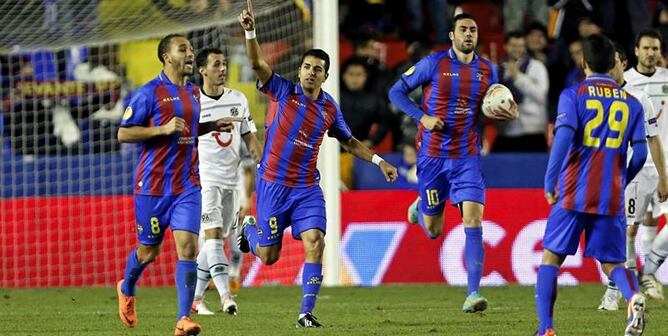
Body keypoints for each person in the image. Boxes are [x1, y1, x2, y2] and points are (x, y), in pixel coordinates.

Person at [236, 1, 398, 328]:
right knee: (268, 256)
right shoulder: (281, 91)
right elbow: (255, 62)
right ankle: (247, 231)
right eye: (307, 66)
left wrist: (379, 160)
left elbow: (349, 141)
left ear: (325, 75)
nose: (311, 72)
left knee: (316, 241)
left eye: (318, 69)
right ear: (300, 71)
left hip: (306, 188)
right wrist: (250, 30)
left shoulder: (329, 108)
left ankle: (306, 313)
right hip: (273, 186)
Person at [388, 13, 518, 313]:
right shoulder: (434, 64)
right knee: (434, 230)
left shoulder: (488, 70)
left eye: (473, 29)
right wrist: (423, 117)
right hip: (432, 156)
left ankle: (473, 294)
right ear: (452, 35)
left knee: (473, 220)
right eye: (463, 30)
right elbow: (395, 91)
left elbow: (491, 106)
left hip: (466, 156)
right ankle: (422, 205)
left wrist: (507, 115)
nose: (468, 34)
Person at [115, 34, 235, 336]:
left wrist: (209, 126)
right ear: (167, 57)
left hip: (187, 185)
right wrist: (162, 128)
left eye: (191, 49)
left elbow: (189, 131)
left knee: (188, 248)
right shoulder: (148, 93)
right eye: (183, 49)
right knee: (148, 252)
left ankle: (183, 319)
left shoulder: (194, 92)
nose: (191, 53)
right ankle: (126, 286)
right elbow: (124, 134)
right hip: (153, 187)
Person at [536, 34, 648, 336]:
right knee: (613, 263)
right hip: (610, 195)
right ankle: (632, 297)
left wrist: (550, 181)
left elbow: (562, 139)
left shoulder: (573, 95)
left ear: (583, 62)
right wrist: (623, 177)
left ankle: (546, 328)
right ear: (614, 62)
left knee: (551, 258)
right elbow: (642, 152)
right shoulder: (632, 103)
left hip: (573, 192)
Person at [190, 47, 262, 316]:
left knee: (217, 238)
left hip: (232, 182)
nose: (222, 68)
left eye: (224, 64)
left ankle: (195, 299)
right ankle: (225, 296)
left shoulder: (238, 99)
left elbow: (250, 138)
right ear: (202, 70)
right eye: (216, 64)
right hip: (204, 181)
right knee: (212, 240)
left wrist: (263, 162)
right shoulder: (193, 103)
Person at [598, 45, 668, 310]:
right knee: (622, 231)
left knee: (625, 230)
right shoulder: (598, 94)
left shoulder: (639, 96)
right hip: (612, 171)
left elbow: (654, 139)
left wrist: (662, 176)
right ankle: (622, 289)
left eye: (613, 61)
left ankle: (622, 287)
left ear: (623, 63)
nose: (609, 66)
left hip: (639, 170)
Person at [623, 29, 668, 300]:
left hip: (665, 165)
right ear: (636, 51)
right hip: (636, 163)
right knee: (631, 227)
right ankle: (626, 285)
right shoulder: (625, 82)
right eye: (646, 48)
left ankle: (648, 270)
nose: (651, 53)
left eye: (656, 48)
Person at [495, 31, 549, 152]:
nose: (517, 49)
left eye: (520, 46)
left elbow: (541, 95)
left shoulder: (536, 67)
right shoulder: (500, 70)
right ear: (505, 46)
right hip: (509, 132)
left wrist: (518, 77)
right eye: (513, 45)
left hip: (533, 132)